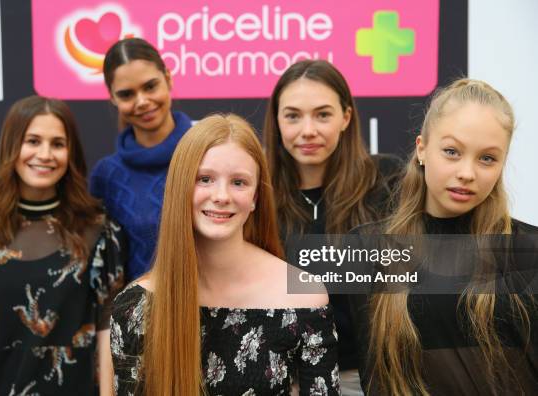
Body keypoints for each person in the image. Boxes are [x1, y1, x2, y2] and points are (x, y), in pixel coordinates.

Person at [110, 114, 340, 395]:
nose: (221, 196)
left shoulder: (305, 297)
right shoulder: (135, 307)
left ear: (255, 197)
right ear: (180, 187)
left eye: (239, 183)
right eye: (205, 179)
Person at [353, 79, 538, 394]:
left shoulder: (529, 251)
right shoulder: (365, 249)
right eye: (452, 151)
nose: (467, 172)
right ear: (422, 148)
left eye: (487, 158)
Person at [0, 96, 127, 395]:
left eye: (58, 144)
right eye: (33, 141)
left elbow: (107, 331)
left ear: (70, 152)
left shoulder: (100, 229)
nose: (45, 154)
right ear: (12, 146)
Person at [263, 59, 402, 393]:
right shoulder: (256, 193)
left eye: (322, 114)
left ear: (346, 118)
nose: (307, 130)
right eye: (293, 115)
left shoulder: (385, 180)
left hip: (366, 379)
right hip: (285, 380)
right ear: (278, 121)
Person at [90, 37, 193, 281]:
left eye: (150, 86)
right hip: (139, 314)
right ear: (113, 99)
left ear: (168, 78)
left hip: (218, 310)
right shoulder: (106, 176)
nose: (142, 102)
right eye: (127, 94)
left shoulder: (211, 153)